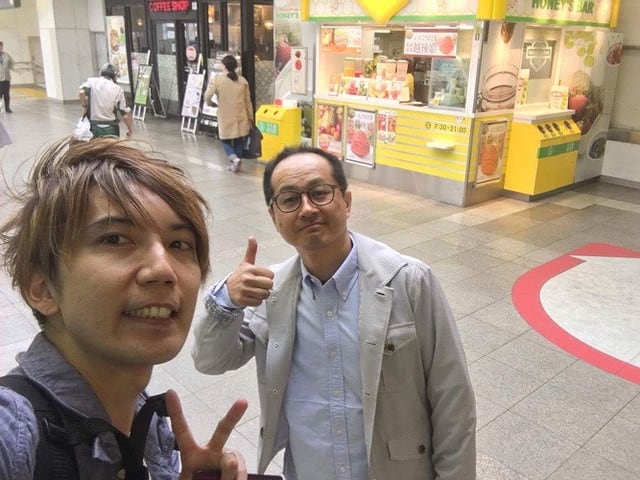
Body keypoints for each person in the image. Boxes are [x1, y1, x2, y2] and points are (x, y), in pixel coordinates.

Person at [191, 145, 477, 479]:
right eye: (290, 199)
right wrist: (227, 298)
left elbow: (452, 401)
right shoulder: (271, 294)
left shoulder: (408, 281)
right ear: (274, 216)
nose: (307, 209)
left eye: (320, 193)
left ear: (347, 202)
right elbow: (209, 360)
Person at [0, 137, 249, 479]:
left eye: (179, 244)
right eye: (115, 239)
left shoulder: (149, 421)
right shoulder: (14, 435)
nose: (163, 269)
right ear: (42, 287)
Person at [204, 55, 253, 173]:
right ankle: (236, 164)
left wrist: (210, 104)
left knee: (225, 140)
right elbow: (248, 101)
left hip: (225, 115)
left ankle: (234, 159)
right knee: (239, 140)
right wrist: (251, 117)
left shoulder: (217, 80)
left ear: (224, 66)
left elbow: (207, 95)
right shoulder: (243, 81)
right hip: (241, 115)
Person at [79, 63, 133, 138]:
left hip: (94, 126)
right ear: (114, 76)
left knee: (94, 145)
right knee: (112, 145)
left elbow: (81, 93)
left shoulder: (91, 81)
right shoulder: (118, 89)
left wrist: (85, 105)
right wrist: (130, 129)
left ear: (101, 73)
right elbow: (125, 115)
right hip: (111, 127)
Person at [0, 41, 15, 113]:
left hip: (6, 78)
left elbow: (12, 63)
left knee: (6, 94)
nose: (0, 48)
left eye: (1, 47)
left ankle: (7, 108)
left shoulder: (6, 55)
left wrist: (15, 69)